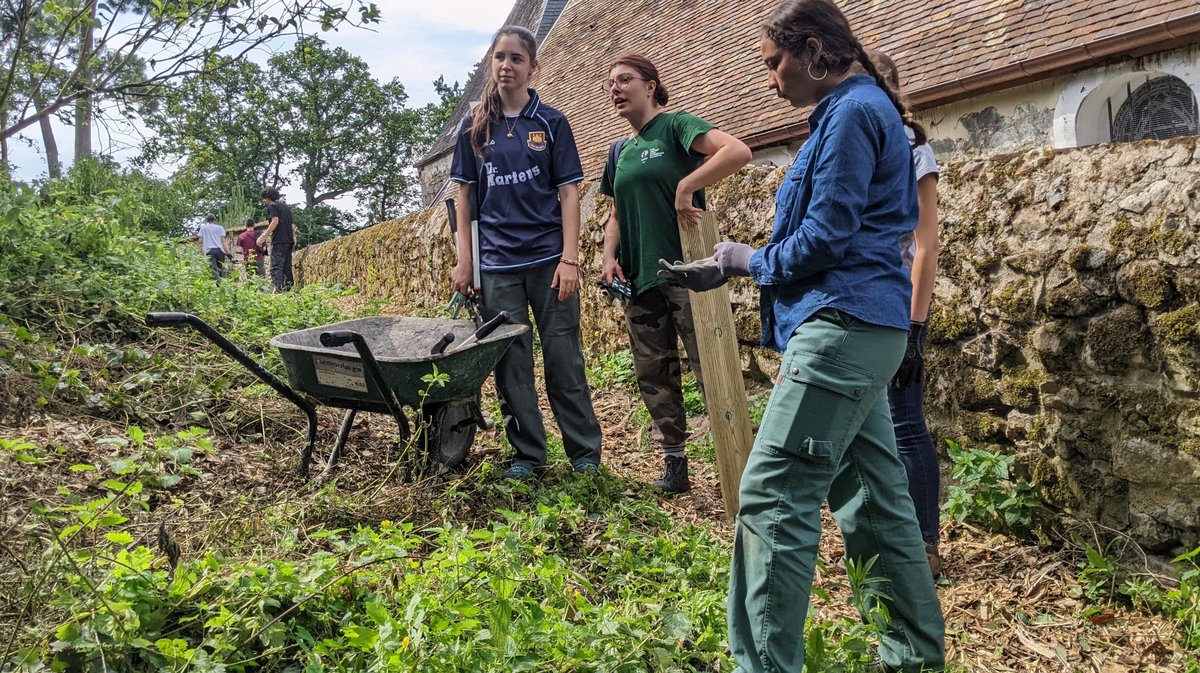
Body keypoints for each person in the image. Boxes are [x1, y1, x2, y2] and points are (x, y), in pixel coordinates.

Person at [657, 1, 945, 670]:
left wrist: (740, 260)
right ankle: (911, 656)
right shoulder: (862, 111)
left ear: (814, 49)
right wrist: (740, 262)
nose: (770, 79)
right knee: (875, 498)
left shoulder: (850, 114)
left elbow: (823, 239)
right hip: (864, 327)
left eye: (774, 63)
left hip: (841, 328)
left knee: (772, 496)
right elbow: (831, 233)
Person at [448, 25, 603, 479]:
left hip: (549, 264)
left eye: (516, 58)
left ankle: (585, 456)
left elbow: (570, 193)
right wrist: (466, 260)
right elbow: (464, 197)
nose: (506, 65)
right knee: (512, 366)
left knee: (564, 360)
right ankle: (528, 456)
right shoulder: (473, 128)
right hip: (497, 266)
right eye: (499, 57)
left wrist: (570, 258)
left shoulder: (551, 122)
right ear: (490, 64)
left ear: (532, 66)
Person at [598, 53, 752, 493]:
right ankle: (675, 461)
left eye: (625, 79)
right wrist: (609, 257)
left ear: (650, 85)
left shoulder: (677, 127)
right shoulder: (619, 151)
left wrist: (687, 186)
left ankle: (737, 465)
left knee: (711, 366)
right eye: (611, 83)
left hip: (689, 273)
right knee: (654, 372)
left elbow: (737, 151)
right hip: (639, 277)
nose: (616, 88)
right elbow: (616, 213)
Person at [870, 48, 943, 578]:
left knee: (905, 423)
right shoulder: (851, 140)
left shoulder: (914, 146)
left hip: (898, 306)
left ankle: (925, 545)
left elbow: (926, 243)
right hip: (860, 302)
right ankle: (882, 535)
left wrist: (915, 329)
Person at [257, 187, 294, 291]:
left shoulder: (272, 206)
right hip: (289, 240)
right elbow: (291, 226)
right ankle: (288, 290)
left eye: (264, 198)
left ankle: (278, 290)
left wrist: (263, 236)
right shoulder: (286, 207)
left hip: (279, 240)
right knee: (287, 267)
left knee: (276, 266)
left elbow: (275, 221)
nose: (263, 201)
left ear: (268, 197)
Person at [197, 215, 229, 283]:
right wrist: (228, 252)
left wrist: (206, 239)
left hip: (210, 252)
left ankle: (218, 287)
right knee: (220, 270)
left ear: (207, 220)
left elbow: (200, 241)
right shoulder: (220, 228)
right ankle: (223, 286)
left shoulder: (203, 228)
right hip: (220, 251)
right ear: (214, 220)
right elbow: (223, 241)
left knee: (214, 271)